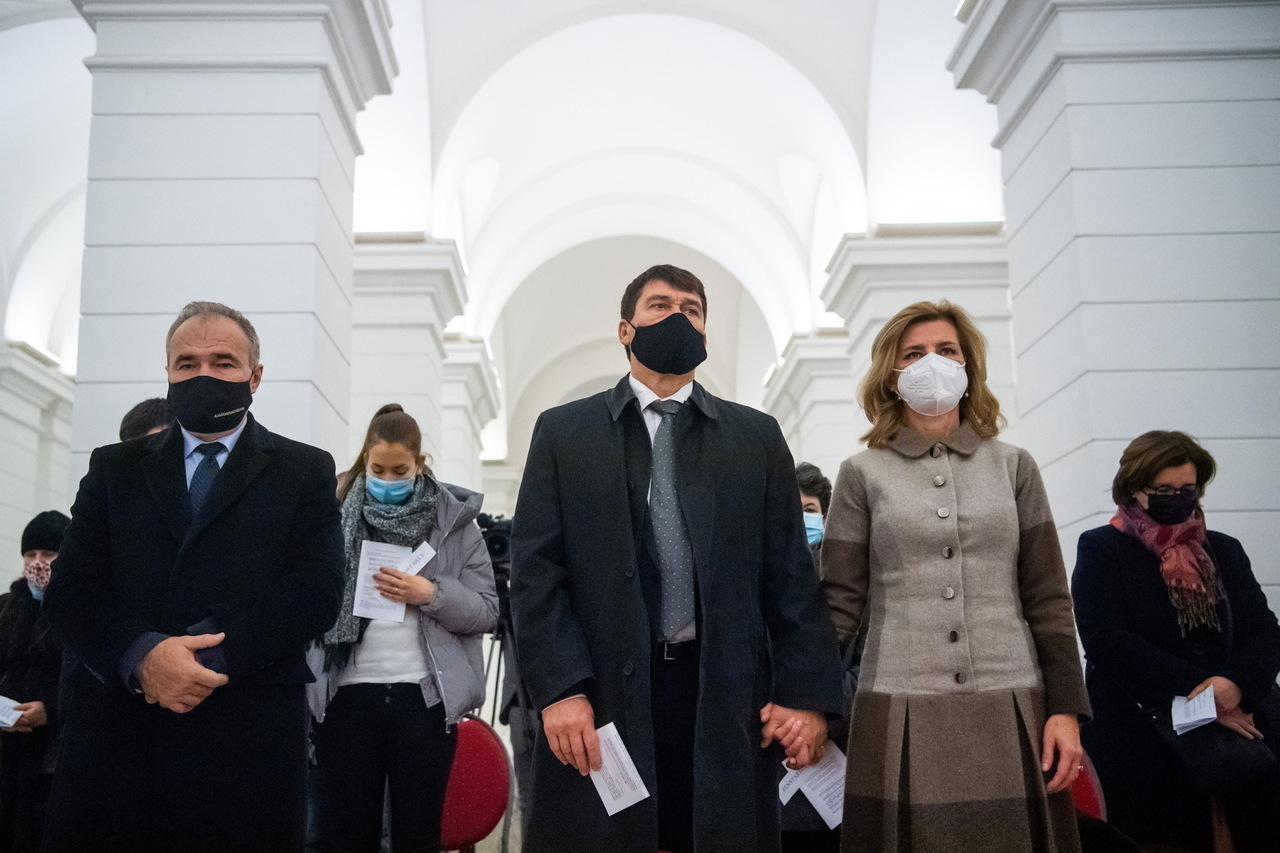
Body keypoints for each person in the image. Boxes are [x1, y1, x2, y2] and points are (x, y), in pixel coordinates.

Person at [510, 263, 843, 853]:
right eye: (660, 306)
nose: (678, 317)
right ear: (625, 329)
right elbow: (537, 573)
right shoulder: (564, 433)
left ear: (705, 335)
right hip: (601, 688)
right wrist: (559, 689)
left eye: (692, 310)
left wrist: (807, 698)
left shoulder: (755, 437)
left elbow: (791, 577)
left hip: (724, 691)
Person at [42, 301, 345, 852]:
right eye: (187, 363)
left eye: (223, 362)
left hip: (244, 736)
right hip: (121, 738)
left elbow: (315, 591)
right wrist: (143, 656)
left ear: (255, 376)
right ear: (168, 373)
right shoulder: (114, 468)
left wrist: (204, 659)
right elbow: (70, 589)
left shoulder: (303, 470)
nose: (204, 374)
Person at [821, 300, 1090, 853]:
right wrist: (809, 703)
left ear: (969, 367)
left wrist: (1065, 708)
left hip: (1011, 697)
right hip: (898, 698)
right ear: (891, 376)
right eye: (913, 354)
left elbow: (1048, 597)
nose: (932, 363)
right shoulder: (861, 474)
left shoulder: (1014, 466)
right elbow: (839, 605)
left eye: (947, 351)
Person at [1072, 431, 1280, 853]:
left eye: (1188, 490)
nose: (1178, 499)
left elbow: (1266, 630)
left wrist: (1234, 685)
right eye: (1163, 491)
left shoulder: (1224, 550)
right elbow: (1106, 640)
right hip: (1145, 735)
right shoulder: (1102, 549)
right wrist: (1204, 693)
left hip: (1242, 729)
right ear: (1133, 488)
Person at [311, 403, 497, 853]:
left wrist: (430, 593)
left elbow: (487, 611)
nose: (388, 480)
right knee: (347, 836)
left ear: (419, 463)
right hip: (345, 696)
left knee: (418, 835)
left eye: (400, 471)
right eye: (378, 470)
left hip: (425, 699)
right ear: (365, 459)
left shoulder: (455, 525)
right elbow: (305, 599)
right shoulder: (331, 516)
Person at [0, 511, 69, 852]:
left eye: (48, 553)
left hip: (53, 756)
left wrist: (51, 710)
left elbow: (88, 680)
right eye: (30, 554)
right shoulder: (5, 608)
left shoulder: (79, 612)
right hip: (5, 749)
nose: (37, 562)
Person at [796, 461, 832, 574]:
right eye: (795, 510)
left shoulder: (835, 564)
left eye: (809, 510)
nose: (802, 518)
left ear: (824, 516)